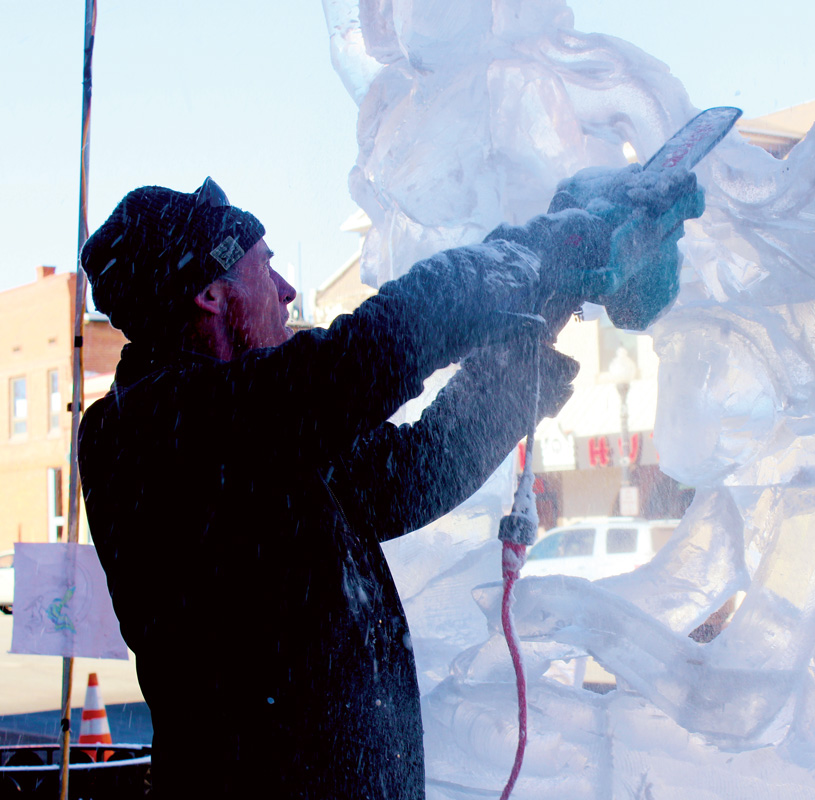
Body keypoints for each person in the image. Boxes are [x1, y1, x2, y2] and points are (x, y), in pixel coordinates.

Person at [78, 172, 700, 799]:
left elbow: (407, 477)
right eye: (265, 268)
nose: (288, 291)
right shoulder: (150, 428)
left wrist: (542, 317)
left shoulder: (260, 434)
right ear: (212, 294)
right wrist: (538, 252)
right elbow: (359, 361)